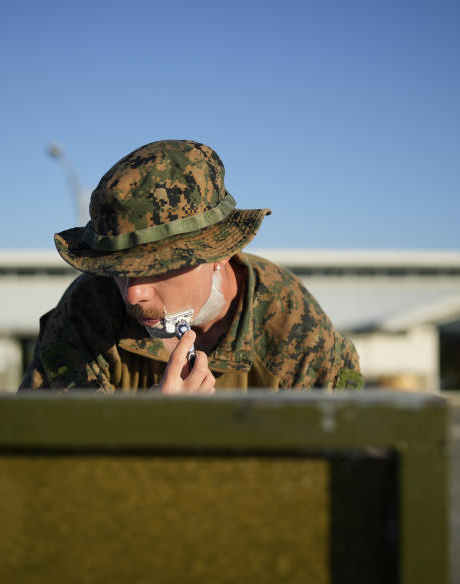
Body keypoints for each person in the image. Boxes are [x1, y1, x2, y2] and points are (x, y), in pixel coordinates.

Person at [19, 139, 362, 394]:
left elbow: (344, 466)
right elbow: (36, 460)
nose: (133, 292)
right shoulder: (87, 311)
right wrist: (146, 429)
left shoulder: (295, 330)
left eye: (159, 266)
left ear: (220, 251)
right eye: (119, 269)